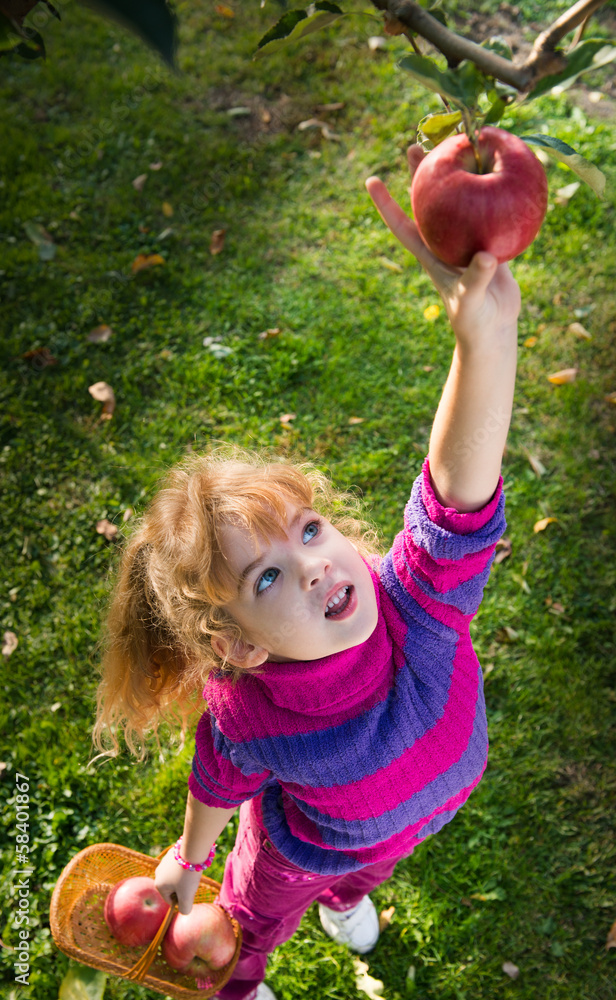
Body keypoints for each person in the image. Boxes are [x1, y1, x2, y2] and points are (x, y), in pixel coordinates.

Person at [94, 145, 521, 1000]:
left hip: (408, 825)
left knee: (378, 866)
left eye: (309, 530)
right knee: (255, 916)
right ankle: (243, 980)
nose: (318, 564)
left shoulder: (413, 613)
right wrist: (191, 857)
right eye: (266, 580)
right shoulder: (248, 711)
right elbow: (218, 777)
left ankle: (351, 903)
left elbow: (454, 496)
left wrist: (487, 343)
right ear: (236, 645)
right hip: (305, 848)